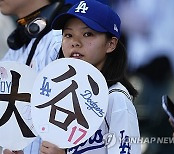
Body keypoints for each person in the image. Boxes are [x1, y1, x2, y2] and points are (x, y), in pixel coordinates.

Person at [38, 0, 141, 153]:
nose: (75, 42)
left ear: (111, 44)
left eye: (87, 34)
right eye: (68, 34)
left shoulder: (115, 98)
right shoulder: (60, 95)